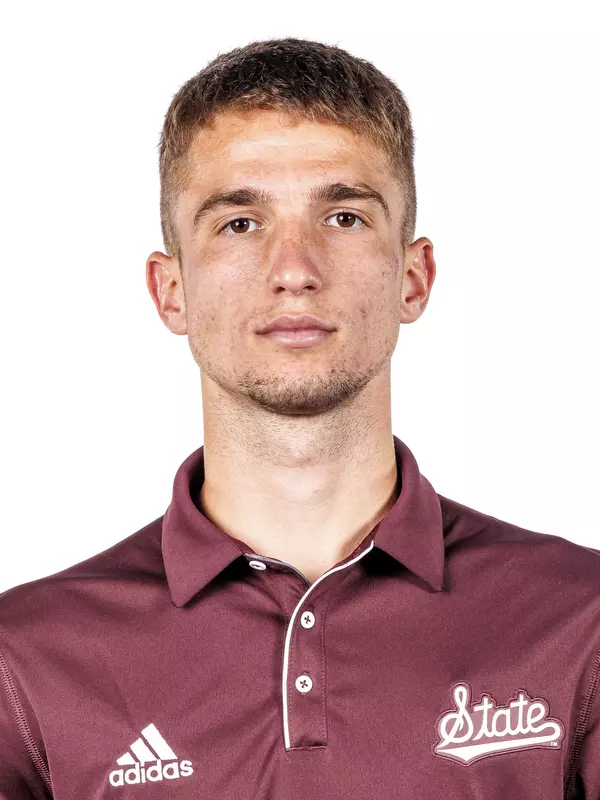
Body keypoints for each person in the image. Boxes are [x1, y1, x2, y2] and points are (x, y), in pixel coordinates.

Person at [0, 36, 598, 800]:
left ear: (413, 278)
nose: (294, 271)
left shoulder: (580, 620)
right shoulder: (25, 661)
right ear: (170, 291)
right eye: (240, 223)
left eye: (343, 217)